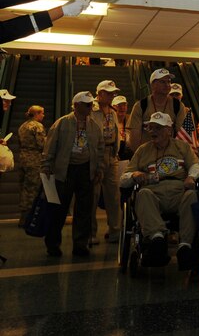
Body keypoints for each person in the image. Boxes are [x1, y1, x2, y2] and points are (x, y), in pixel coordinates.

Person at [119, 111, 199, 269]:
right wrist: (134, 174)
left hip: (179, 191)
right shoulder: (143, 150)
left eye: (158, 128)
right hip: (153, 195)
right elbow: (123, 180)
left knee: (192, 195)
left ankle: (185, 246)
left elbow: (196, 166)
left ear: (169, 131)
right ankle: (157, 239)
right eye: (150, 128)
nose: (153, 131)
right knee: (142, 194)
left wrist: (191, 177)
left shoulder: (182, 146)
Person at [41, 91, 106, 258]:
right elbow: (50, 146)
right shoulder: (62, 123)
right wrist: (47, 165)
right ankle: (53, 244)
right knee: (59, 209)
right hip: (65, 169)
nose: (91, 107)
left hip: (86, 169)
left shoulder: (93, 126)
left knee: (84, 209)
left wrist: (99, 168)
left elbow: (100, 149)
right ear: (76, 105)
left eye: (91, 104)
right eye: (87, 104)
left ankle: (80, 244)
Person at [89, 80, 122, 245]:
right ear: (100, 93)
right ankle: (90, 233)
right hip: (95, 155)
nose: (112, 96)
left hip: (111, 155)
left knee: (114, 196)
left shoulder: (113, 112)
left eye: (113, 93)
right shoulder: (90, 110)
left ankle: (115, 231)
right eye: (109, 93)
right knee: (92, 196)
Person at [127, 68, 188, 153]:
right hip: (147, 155)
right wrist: (141, 157)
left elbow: (182, 134)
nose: (167, 85)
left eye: (169, 82)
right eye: (162, 82)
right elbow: (134, 137)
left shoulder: (177, 106)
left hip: (169, 155)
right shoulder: (141, 106)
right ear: (153, 85)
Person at [17, 105, 46, 228]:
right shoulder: (37, 126)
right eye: (42, 113)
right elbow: (42, 143)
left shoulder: (23, 126)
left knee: (24, 188)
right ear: (36, 114)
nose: (43, 116)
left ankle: (23, 217)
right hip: (34, 160)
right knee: (33, 189)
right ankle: (30, 218)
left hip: (23, 158)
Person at [112, 94, 131, 160]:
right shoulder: (109, 122)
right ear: (112, 107)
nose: (122, 107)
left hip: (128, 156)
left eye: (124, 105)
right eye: (118, 105)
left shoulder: (131, 120)